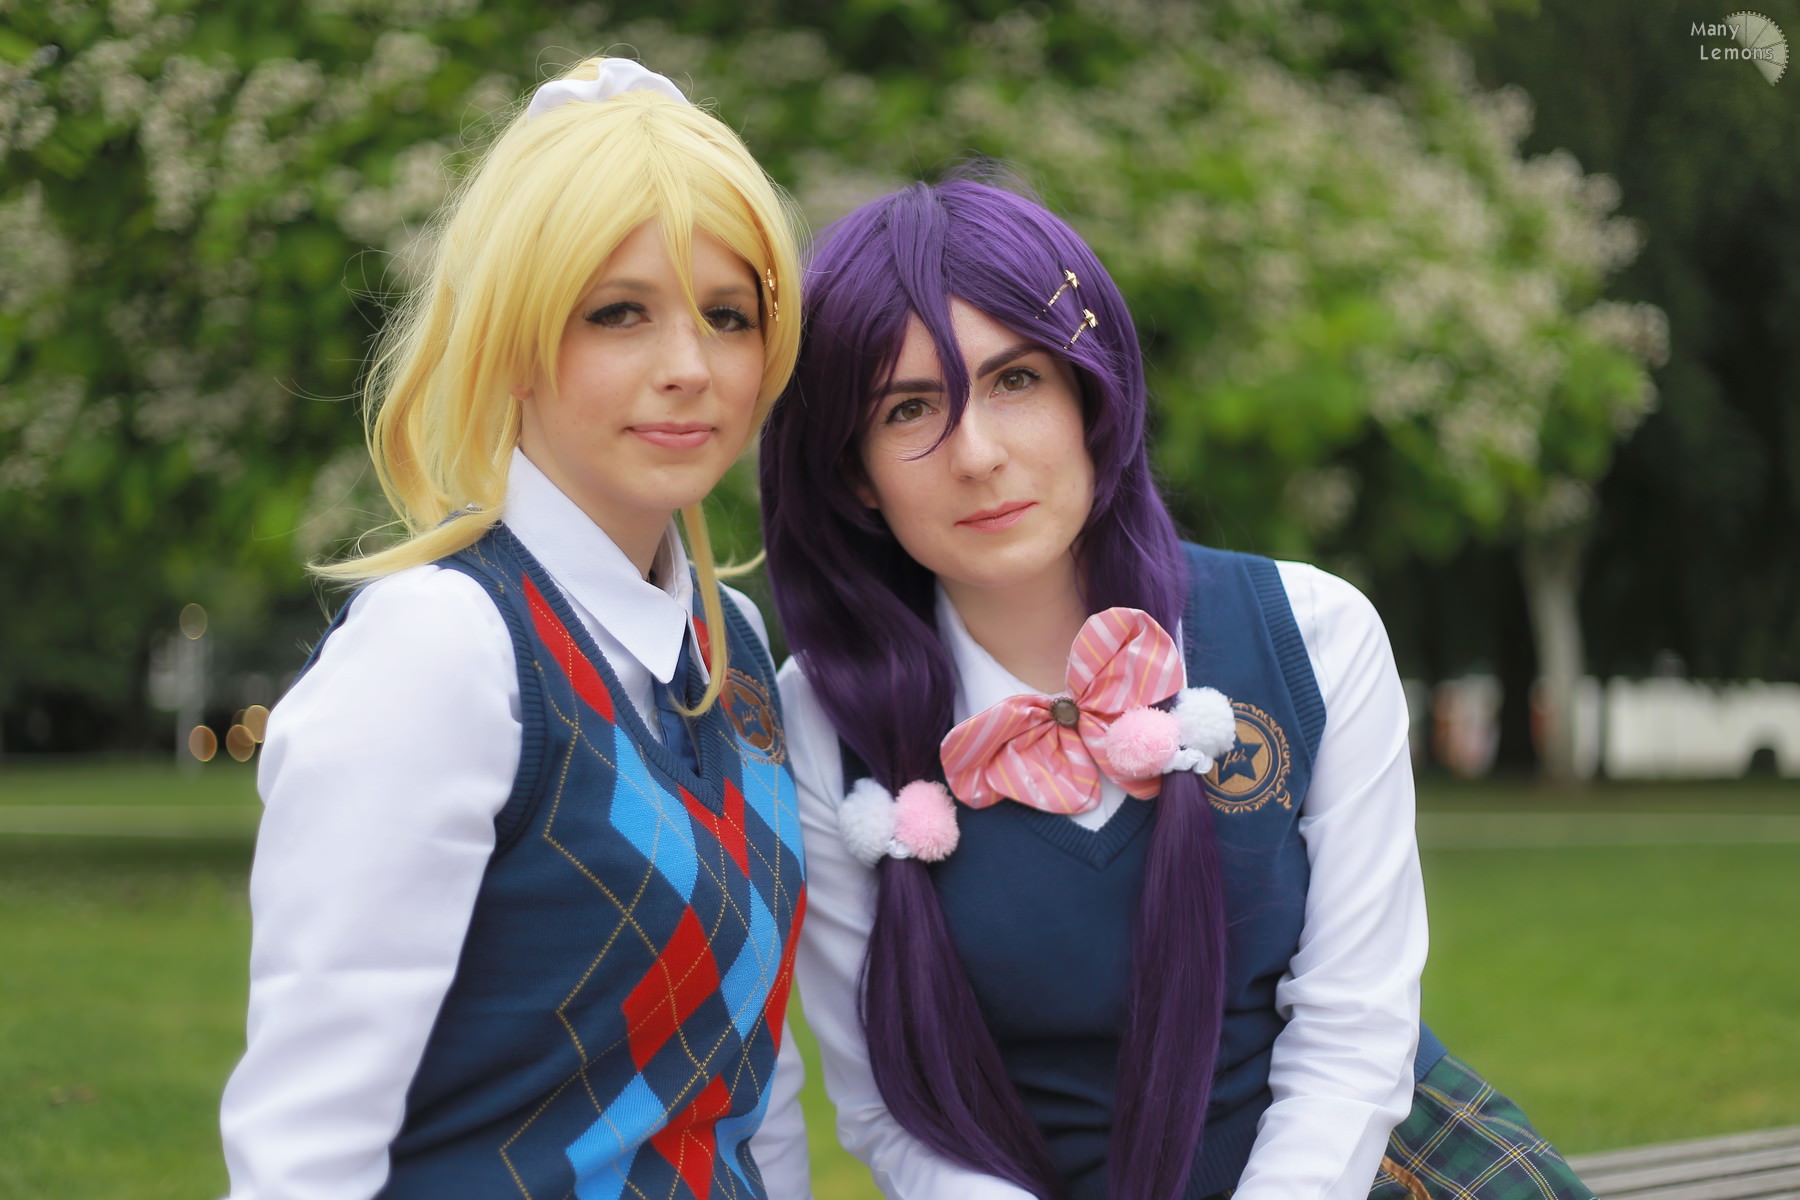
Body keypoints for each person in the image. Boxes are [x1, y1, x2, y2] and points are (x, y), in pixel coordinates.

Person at [756, 176, 1594, 1200]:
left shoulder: (1313, 635)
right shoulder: (819, 722)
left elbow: (1356, 1029)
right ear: (853, 470)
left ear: (1091, 394)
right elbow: (895, 1109)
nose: (977, 454)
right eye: (910, 408)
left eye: (1015, 379)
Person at [219, 58, 812, 1200]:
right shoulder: (440, 648)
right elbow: (303, 1152)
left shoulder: (734, 642)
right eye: (618, 313)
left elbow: (752, 1088)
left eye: (728, 316)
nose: (689, 368)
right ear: (513, 339)